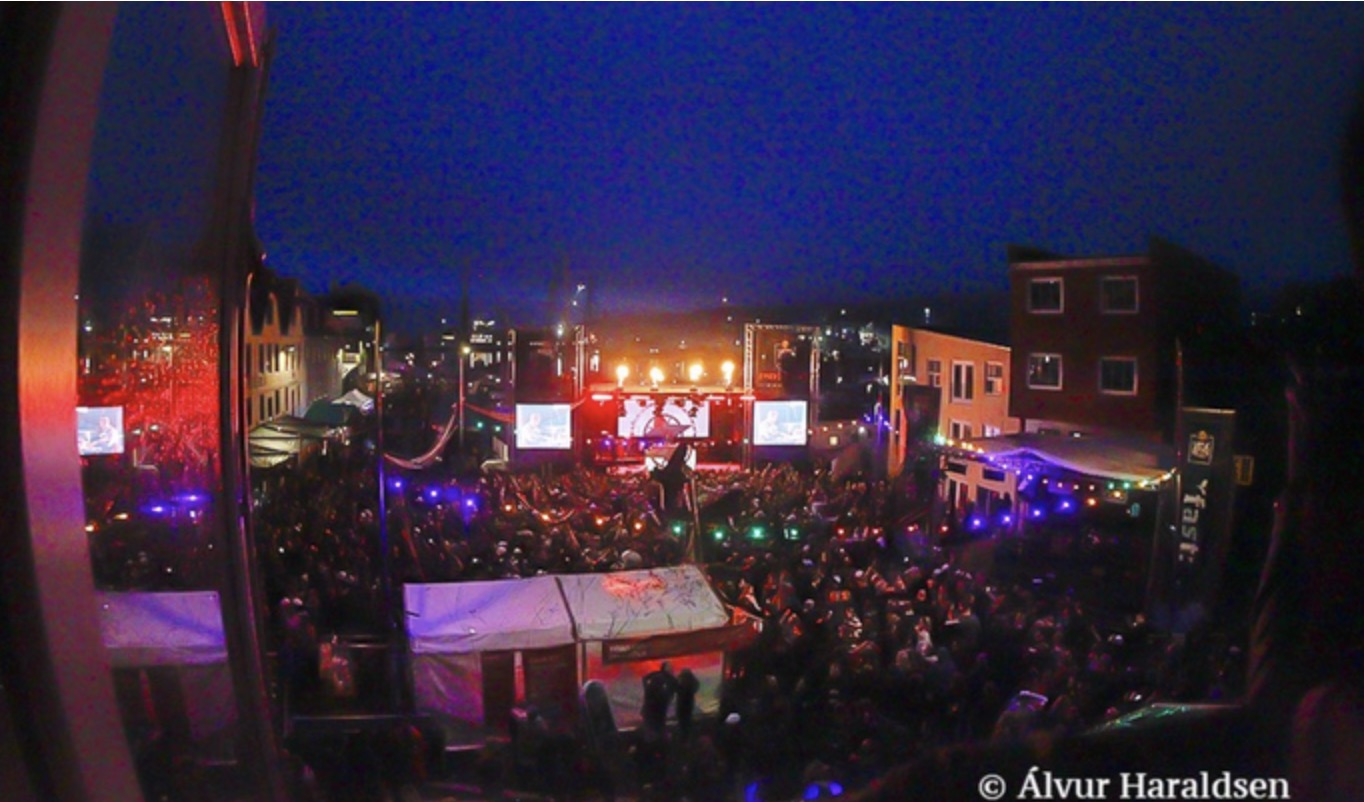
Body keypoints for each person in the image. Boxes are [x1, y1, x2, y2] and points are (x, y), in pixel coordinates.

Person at [676, 667, 699, 743]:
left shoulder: (681, 682)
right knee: (687, 722)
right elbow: (696, 687)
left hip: (682, 705)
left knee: (682, 723)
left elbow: (676, 689)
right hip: (688, 705)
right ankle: (687, 739)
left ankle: (682, 739)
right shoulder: (692, 682)